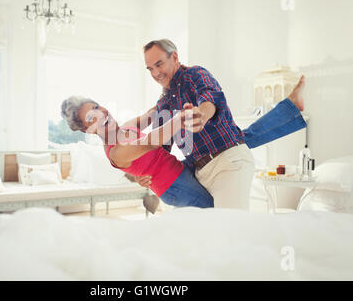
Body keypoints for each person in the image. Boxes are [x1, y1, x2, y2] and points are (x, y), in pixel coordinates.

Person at [61, 84, 306, 210]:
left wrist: (170, 83)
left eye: (97, 106)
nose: (101, 114)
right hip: (174, 186)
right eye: (92, 118)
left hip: (180, 168)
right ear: (86, 130)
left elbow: (153, 113)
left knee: (232, 139)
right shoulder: (115, 151)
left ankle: (291, 109)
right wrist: (179, 118)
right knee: (218, 213)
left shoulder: (125, 127)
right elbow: (151, 141)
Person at [128, 38, 306, 210]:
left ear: (174, 57)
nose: (155, 73)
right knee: (209, 229)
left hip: (227, 163)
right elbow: (160, 152)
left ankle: (291, 107)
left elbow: (210, 97)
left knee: (229, 227)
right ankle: (290, 108)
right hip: (199, 170)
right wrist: (146, 174)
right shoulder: (163, 103)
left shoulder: (194, 75)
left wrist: (202, 114)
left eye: (159, 64)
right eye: (150, 69)